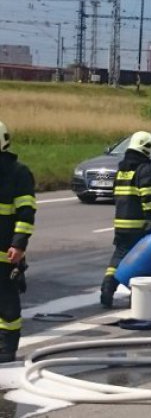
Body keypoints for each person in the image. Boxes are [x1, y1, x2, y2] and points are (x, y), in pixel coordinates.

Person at [101, 131, 151, 308]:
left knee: (118, 257)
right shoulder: (144, 169)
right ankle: (139, 296)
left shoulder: (122, 170)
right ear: (146, 148)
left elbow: (116, 195)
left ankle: (107, 287)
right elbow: (148, 197)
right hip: (139, 225)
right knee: (141, 261)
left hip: (121, 224)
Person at [0, 121, 37, 363]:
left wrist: (19, 244)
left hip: (6, 252)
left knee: (7, 303)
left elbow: (26, 213)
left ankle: (6, 349)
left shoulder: (17, 173)